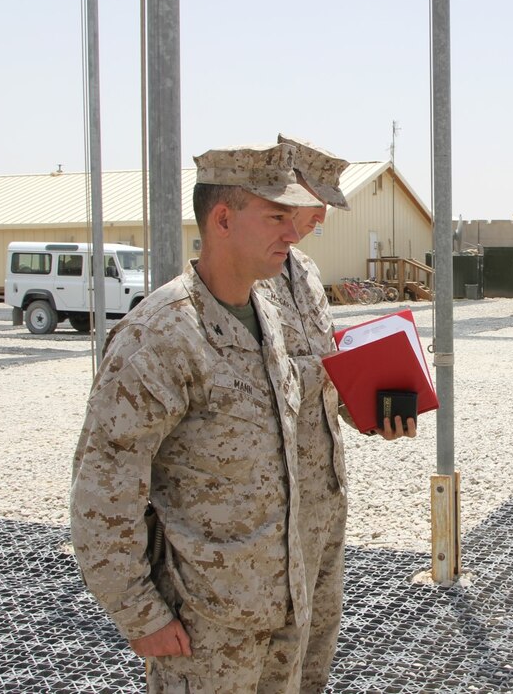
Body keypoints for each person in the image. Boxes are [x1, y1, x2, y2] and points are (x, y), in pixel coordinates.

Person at [71, 142, 327, 692]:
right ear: (224, 219)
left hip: (283, 613)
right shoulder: (160, 336)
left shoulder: (268, 319)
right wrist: (140, 615)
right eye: (277, 216)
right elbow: (102, 489)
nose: (293, 231)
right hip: (204, 631)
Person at [254, 134, 416, 693]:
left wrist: (372, 412)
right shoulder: (242, 280)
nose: (322, 217)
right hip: (271, 513)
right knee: (273, 652)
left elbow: (325, 380)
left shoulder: (304, 274)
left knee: (316, 644)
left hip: (324, 499)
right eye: (312, 203)